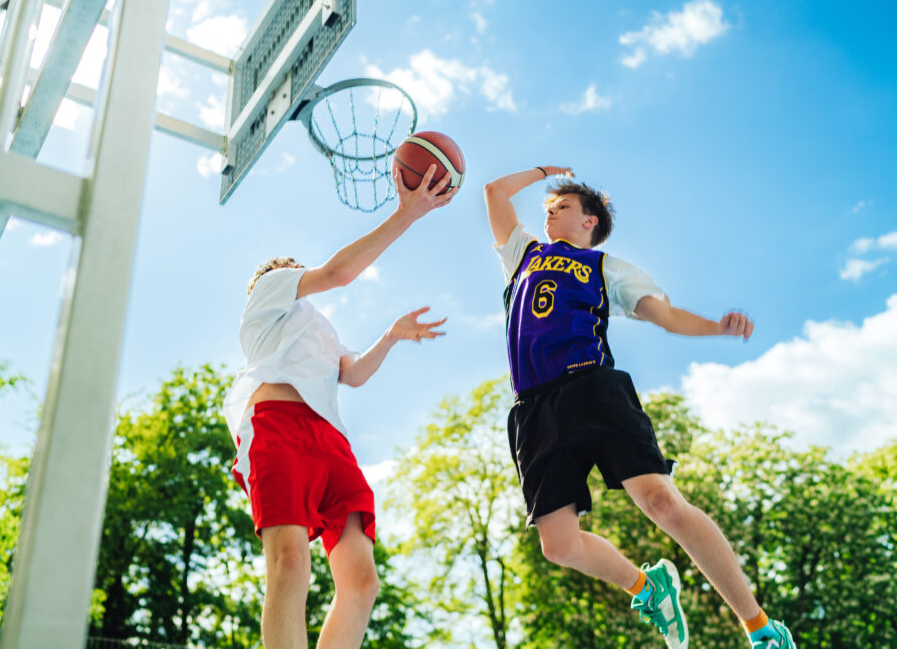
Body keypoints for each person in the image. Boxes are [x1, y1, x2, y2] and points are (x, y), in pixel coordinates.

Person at [482, 165, 796, 649]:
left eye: (562, 206)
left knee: (661, 501)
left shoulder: (608, 268)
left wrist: (719, 325)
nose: (550, 213)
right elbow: (494, 191)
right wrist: (545, 172)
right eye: (547, 208)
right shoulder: (523, 255)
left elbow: (666, 317)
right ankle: (648, 588)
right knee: (558, 547)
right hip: (533, 409)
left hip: (592, 388)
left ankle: (761, 628)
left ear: (590, 220)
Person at [223, 166, 455, 648]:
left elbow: (353, 374)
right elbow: (337, 273)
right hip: (278, 426)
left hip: (330, 441)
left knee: (362, 581)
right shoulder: (268, 295)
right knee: (290, 563)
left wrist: (390, 336)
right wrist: (407, 213)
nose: (294, 273)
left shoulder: (319, 327)